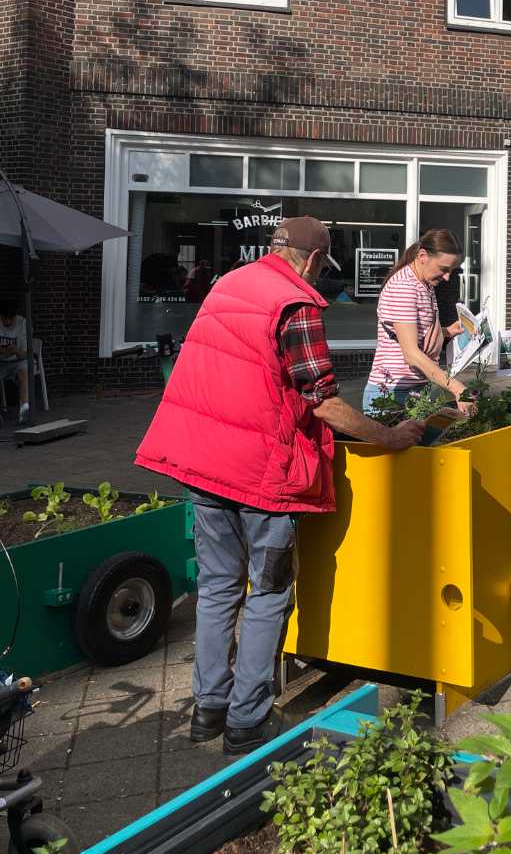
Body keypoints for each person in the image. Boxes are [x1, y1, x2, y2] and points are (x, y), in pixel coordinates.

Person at [136, 216, 424, 756]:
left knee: (219, 586)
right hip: (260, 473)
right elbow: (325, 402)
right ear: (315, 260)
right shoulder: (297, 304)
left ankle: (209, 709)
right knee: (267, 592)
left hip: (203, 461)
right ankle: (247, 721)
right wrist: (387, 436)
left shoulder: (227, 285)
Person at [363, 229, 471, 414]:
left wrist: (446, 332)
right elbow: (411, 354)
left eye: (451, 271)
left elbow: (411, 331)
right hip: (392, 394)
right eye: (444, 269)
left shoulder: (424, 284)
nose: (446, 277)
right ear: (422, 256)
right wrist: (457, 388)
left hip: (415, 391)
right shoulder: (404, 287)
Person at [0, 304, 29, 422]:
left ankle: (24, 410)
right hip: (1, 361)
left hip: (18, 361)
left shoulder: (22, 323)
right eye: (4, 318)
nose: (7, 321)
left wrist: (14, 350)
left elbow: (24, 354)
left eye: (10, 319)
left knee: (24, 371)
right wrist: (4, 352)